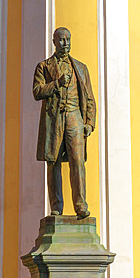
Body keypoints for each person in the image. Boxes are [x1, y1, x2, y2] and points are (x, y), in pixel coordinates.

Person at [33, 27, 96, 218]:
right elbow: (37, 92)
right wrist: (57, 83)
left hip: (75, 117)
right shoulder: (43, 66)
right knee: (54, 163)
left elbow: (90, 98)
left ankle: (81, 205)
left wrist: (89, 123)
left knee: (78, 162)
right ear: (54, 42)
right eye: (61, 40)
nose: (65, 43)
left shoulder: (81, 68)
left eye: (68, 39)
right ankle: (56, 206)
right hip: (54, 120)